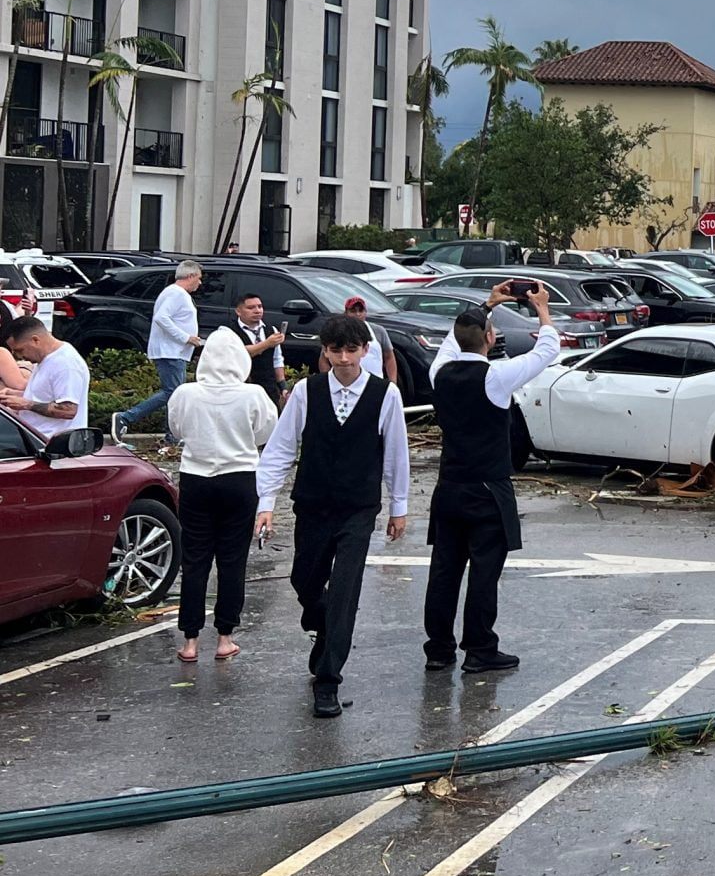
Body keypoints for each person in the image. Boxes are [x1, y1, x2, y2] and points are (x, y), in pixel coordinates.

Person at [255, 314, 412, 718]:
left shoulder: (385, 394)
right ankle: (321, 625)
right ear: (325, 351)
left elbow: (396, 453)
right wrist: (266, 503)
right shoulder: (307, 392)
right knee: (305, 581)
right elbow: (280, 449)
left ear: (365, 350)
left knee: (345, 590)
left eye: (351, 349)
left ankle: (328, 681)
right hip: (313, 502)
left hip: (358, 507)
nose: (344, 358)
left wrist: (399, 506)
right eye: (336, 350)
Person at [422, 282, 562, 673]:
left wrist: (486, 304)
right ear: (489, 337)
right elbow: (547, 351)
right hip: (487, 486)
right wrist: (542, 309)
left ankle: (438, 649)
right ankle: (480, 648)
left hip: (448, 485)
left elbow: (453, 341)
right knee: (484, 572)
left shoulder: (440, 373)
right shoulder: (496, 376)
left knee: (444, 570)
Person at [166, 327, 277, 664]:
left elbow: (177, 429)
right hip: (240, 479)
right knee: (232, 561)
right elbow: (266, 431)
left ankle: (190, 640)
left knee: (195, 560)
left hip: (196, 478)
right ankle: (225, 636)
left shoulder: (186, 393)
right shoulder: (253, 393)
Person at [115, 259, 203, 440]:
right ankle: (126, 417)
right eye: (199, 278)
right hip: (171, 351)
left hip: (174, 351)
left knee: (174, 395)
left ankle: (171, 436)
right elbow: (162, 318)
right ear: (191, 275)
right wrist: (185, 338)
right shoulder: (176, 293)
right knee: (173, 393)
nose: (200, 283)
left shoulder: (175, 293)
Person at [1, 313, 88, 439]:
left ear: (35, 340)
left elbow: (68, 410)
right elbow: (46, 395)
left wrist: (26, 404)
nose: (19, 357)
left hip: (52, 445)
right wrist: (14, 395)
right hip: (36, 438)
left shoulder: (65, 364)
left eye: (20, 350)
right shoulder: (45, 358)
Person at [230, 291, 290, 407]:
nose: (257, 311)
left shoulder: (271, 330)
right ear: (238, 311)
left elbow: (277, 360)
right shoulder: (229, 332)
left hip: (269, 388)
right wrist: (267, 343)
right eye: (251, 308)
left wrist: (283, 386)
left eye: (260, 306)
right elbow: (240, 353)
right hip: (242, 387)